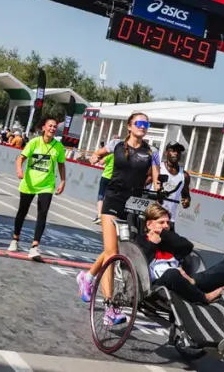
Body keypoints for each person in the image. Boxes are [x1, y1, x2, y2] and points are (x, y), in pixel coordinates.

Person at [76, 112, 161, 325]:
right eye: (139, 123)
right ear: (129, 126)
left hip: (134, 203)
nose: (143, 126)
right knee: (112, 254)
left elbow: (156, 179)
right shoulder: (116, 144)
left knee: (113, 249)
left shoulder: (152, 152)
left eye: (146, 124)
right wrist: (95, 157)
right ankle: (109, 307)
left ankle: (87, 277)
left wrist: (159, 188)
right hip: (113, 200)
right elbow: (97, 154)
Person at [139, 204, 224, 304]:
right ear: (149, 224)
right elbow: (139, 265)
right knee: (172, 273)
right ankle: (204, 298)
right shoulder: (141, 241)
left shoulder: (170, 240)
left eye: (168, 222)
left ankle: (193, 286)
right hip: (158, 286)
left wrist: (164, 234)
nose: (166, 226)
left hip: (185, 281)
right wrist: (152, 244)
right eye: (161, 222)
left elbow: (188, 246)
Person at [8, 117, 66, 259]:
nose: (52, 128)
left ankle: (34, 247)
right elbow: (21, 158)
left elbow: (61, 165)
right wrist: (19, 170)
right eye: (50, 126)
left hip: (47, 185)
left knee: (43, 213)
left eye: (55, 127)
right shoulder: (34, 142)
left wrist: (63, 181)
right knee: (22, 211)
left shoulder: (58, 146)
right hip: (29, 182)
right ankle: (15, 239)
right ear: (44, 128)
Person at [155, 142, 191, 233]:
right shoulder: (157, 169)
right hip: (153, 216)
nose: (176, 153)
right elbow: (143, 185)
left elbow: (186, 195)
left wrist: (187, 201)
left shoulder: (184, 176)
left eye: (178, 152)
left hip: (169, 220)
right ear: (166, 153)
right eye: (172, 151)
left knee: (169, 242)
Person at [93, 142, 114, 225]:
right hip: (114, 178)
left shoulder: (111, 154)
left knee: (101, 195)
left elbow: (101, 162)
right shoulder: (121, 155)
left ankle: (99, 215)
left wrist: (101, 155)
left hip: (106, 176)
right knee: (109, 197)